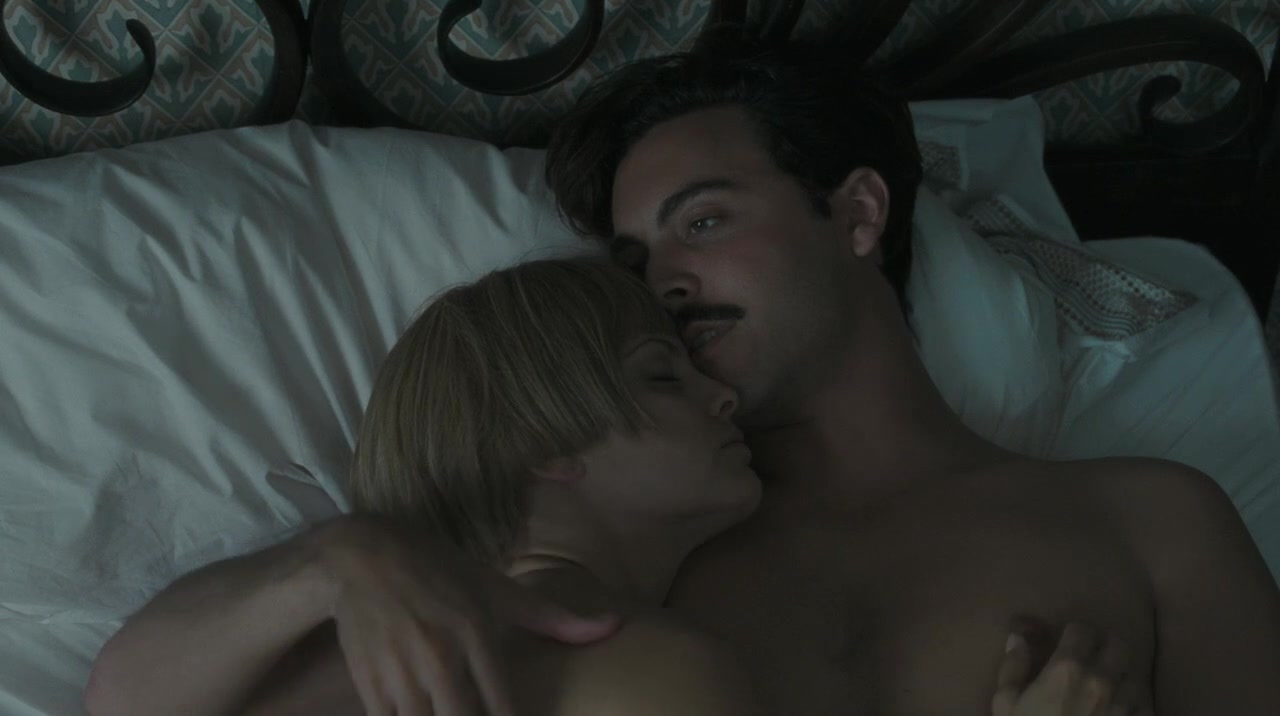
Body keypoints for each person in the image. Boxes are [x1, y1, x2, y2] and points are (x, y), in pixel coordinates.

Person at [83, 257, 1136, 716]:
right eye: (660, 376)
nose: (722, 396)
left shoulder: (325, 640)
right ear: (544, 439)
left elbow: (119, 698)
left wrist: (330, 562)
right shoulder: (641, 670)